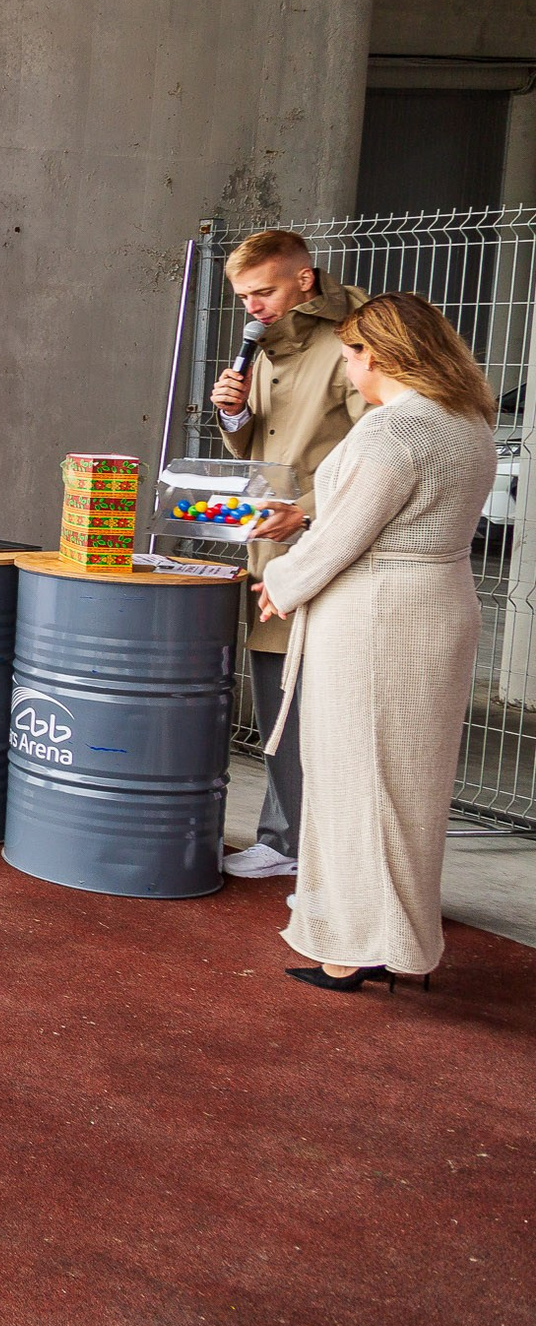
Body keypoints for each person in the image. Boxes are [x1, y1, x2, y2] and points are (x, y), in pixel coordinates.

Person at [254, 293, 495, 992]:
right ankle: (392, 935)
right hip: (439, 605)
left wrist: (284, 583)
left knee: (356, 782)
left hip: (375, 616)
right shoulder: (468, 419)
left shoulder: (392, 431)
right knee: (408, 785)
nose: (349, 365)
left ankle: (357, 945)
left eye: (353, 353)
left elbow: (342, 536)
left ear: (379, 355)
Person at [211, 229, 367, 882]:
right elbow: (260, 452)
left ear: (304, 279)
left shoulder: (357, 343)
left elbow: (377, 448)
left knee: (320, 705)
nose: (253, 306)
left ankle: (301, 843)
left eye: (264, 290)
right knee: (280, 699)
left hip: (330, 547)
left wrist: (308, 505)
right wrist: (236, 418)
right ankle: (288, 837)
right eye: (244, 296)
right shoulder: (264, 348)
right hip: (272, 550)